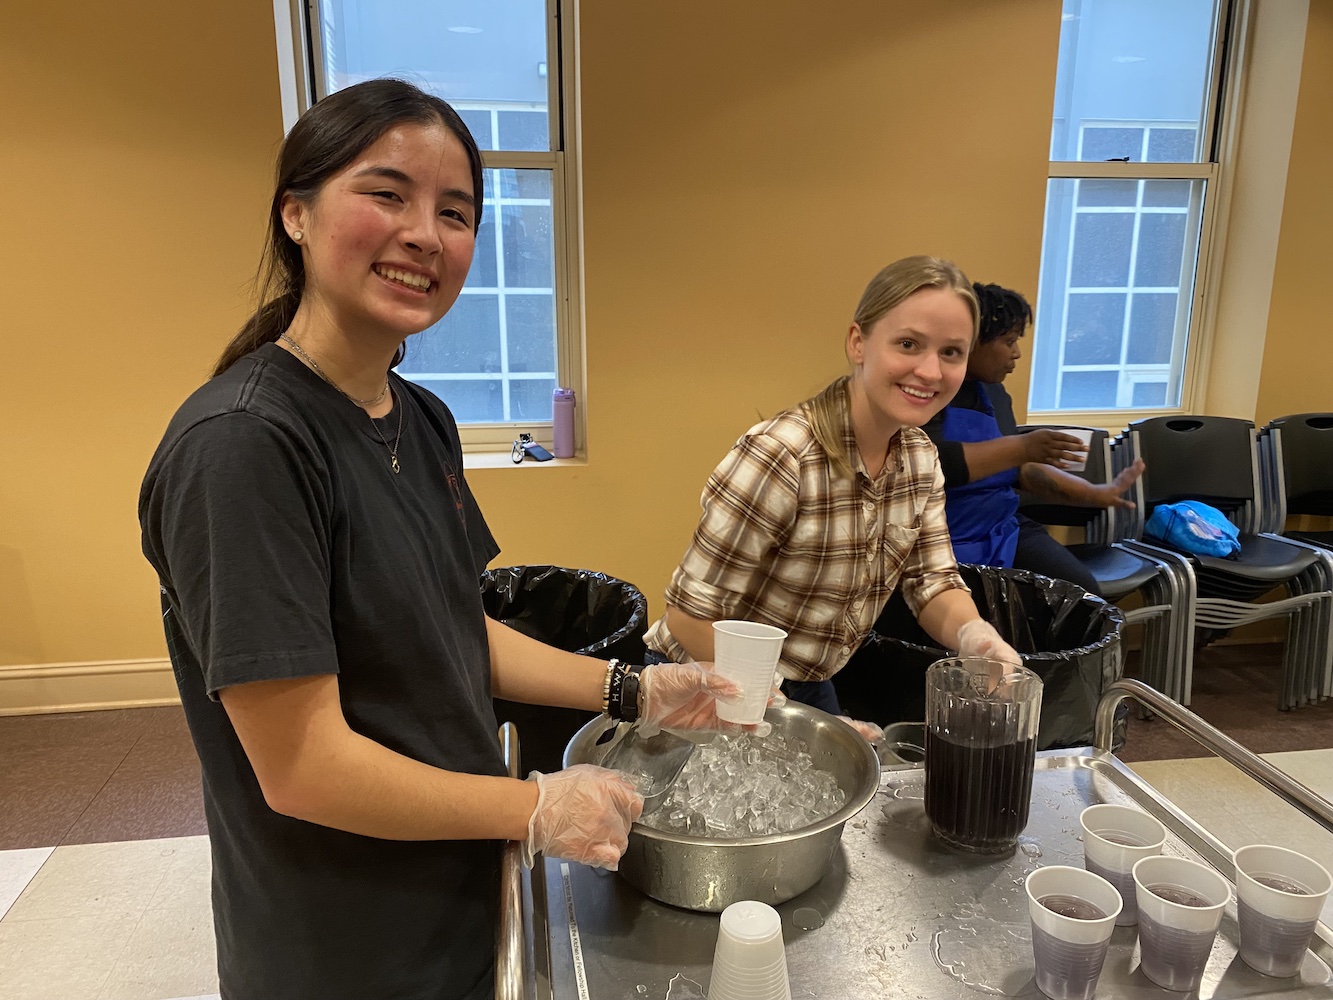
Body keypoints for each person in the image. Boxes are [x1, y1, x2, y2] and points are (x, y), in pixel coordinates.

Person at [138, 79, 739, 1000]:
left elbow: (452, 627)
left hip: (450, 874)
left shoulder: (418, 417)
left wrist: (635, 687)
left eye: (454, 212)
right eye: (386, 194)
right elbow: (304, 768)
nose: (425, 233)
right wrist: (536, 803)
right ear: (295, 213)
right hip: (343, 935)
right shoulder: (244, 446)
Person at [643, 256, 1023, 723]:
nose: (929, 371)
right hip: (705, 678)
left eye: (951, 353)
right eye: (908, 344)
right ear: (858, 342)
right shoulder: (782, 455)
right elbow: (688, 618)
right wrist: (784, 715)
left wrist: (976, 636)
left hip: (808, 678)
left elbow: (932, 582)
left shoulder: (920, 460)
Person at [921, 282, 1145, 596]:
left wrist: (1095, 493)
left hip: (1002, 529)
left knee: (1080, 596)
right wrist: (1022, 446)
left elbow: (1019, 469)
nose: (1017, 353)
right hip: (940, 539)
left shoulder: (995, 394)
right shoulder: (925, 391)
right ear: (969, 341)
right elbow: (936, 465)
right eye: (1008, 341)